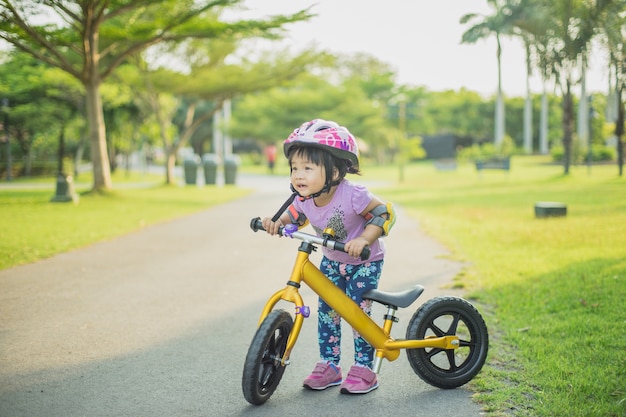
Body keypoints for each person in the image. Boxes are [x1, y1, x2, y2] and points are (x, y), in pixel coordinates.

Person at [262, 119, 395, 395]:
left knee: (357, 311)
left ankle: (364, 368)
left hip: (364, 262)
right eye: (295, 168)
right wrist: (276, 222)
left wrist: (363, 239)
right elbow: (294, 217)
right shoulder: (303, 198)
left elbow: (384, 215)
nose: (299, 175)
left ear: (334, 171)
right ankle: (330, 365)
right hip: (333, 261)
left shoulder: (353, 195)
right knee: (327, 312)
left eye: (308, 168)